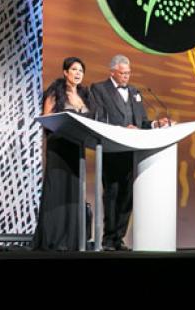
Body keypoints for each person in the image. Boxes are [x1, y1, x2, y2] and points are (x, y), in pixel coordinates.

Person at [90, 55, 170, 251]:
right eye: (123, 73)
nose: (126, 76)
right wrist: (122, 128)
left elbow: (141, 121)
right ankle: (108, 239)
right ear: (113, 72)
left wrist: (155, 124)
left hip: (131, 150)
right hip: (111, 149)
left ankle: (119, 237)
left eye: (128, 73)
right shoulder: (99, 89)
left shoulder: (135, 91)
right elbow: (98, 118)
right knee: (112, 192)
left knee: (128, 195)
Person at [33, 57, 92, 251]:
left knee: (74, 192)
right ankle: (53, 239)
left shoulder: (85, 94)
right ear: (65, 72)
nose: (78, 73)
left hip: (77, 147)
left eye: (80, 71)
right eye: (74, 69)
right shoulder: (55, 92)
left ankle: (72, 239)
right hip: (59, 147)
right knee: (57, 190)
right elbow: (46, 117)